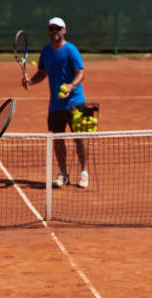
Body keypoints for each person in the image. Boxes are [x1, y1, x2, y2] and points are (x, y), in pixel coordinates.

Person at [22, 16, 90, 188]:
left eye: (58, 28)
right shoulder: (45, 51)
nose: (55, 32)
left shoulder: (71, 50)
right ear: (48, 31)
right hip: (55, 105)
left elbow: (80, 72)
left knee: (79, 139)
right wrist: (31, 81)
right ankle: (63, 173)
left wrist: (71, 86)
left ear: (64, 30)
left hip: (75, 102)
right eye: (52, 28)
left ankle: (84, 172)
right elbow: (42, 73)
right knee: (58, 140)